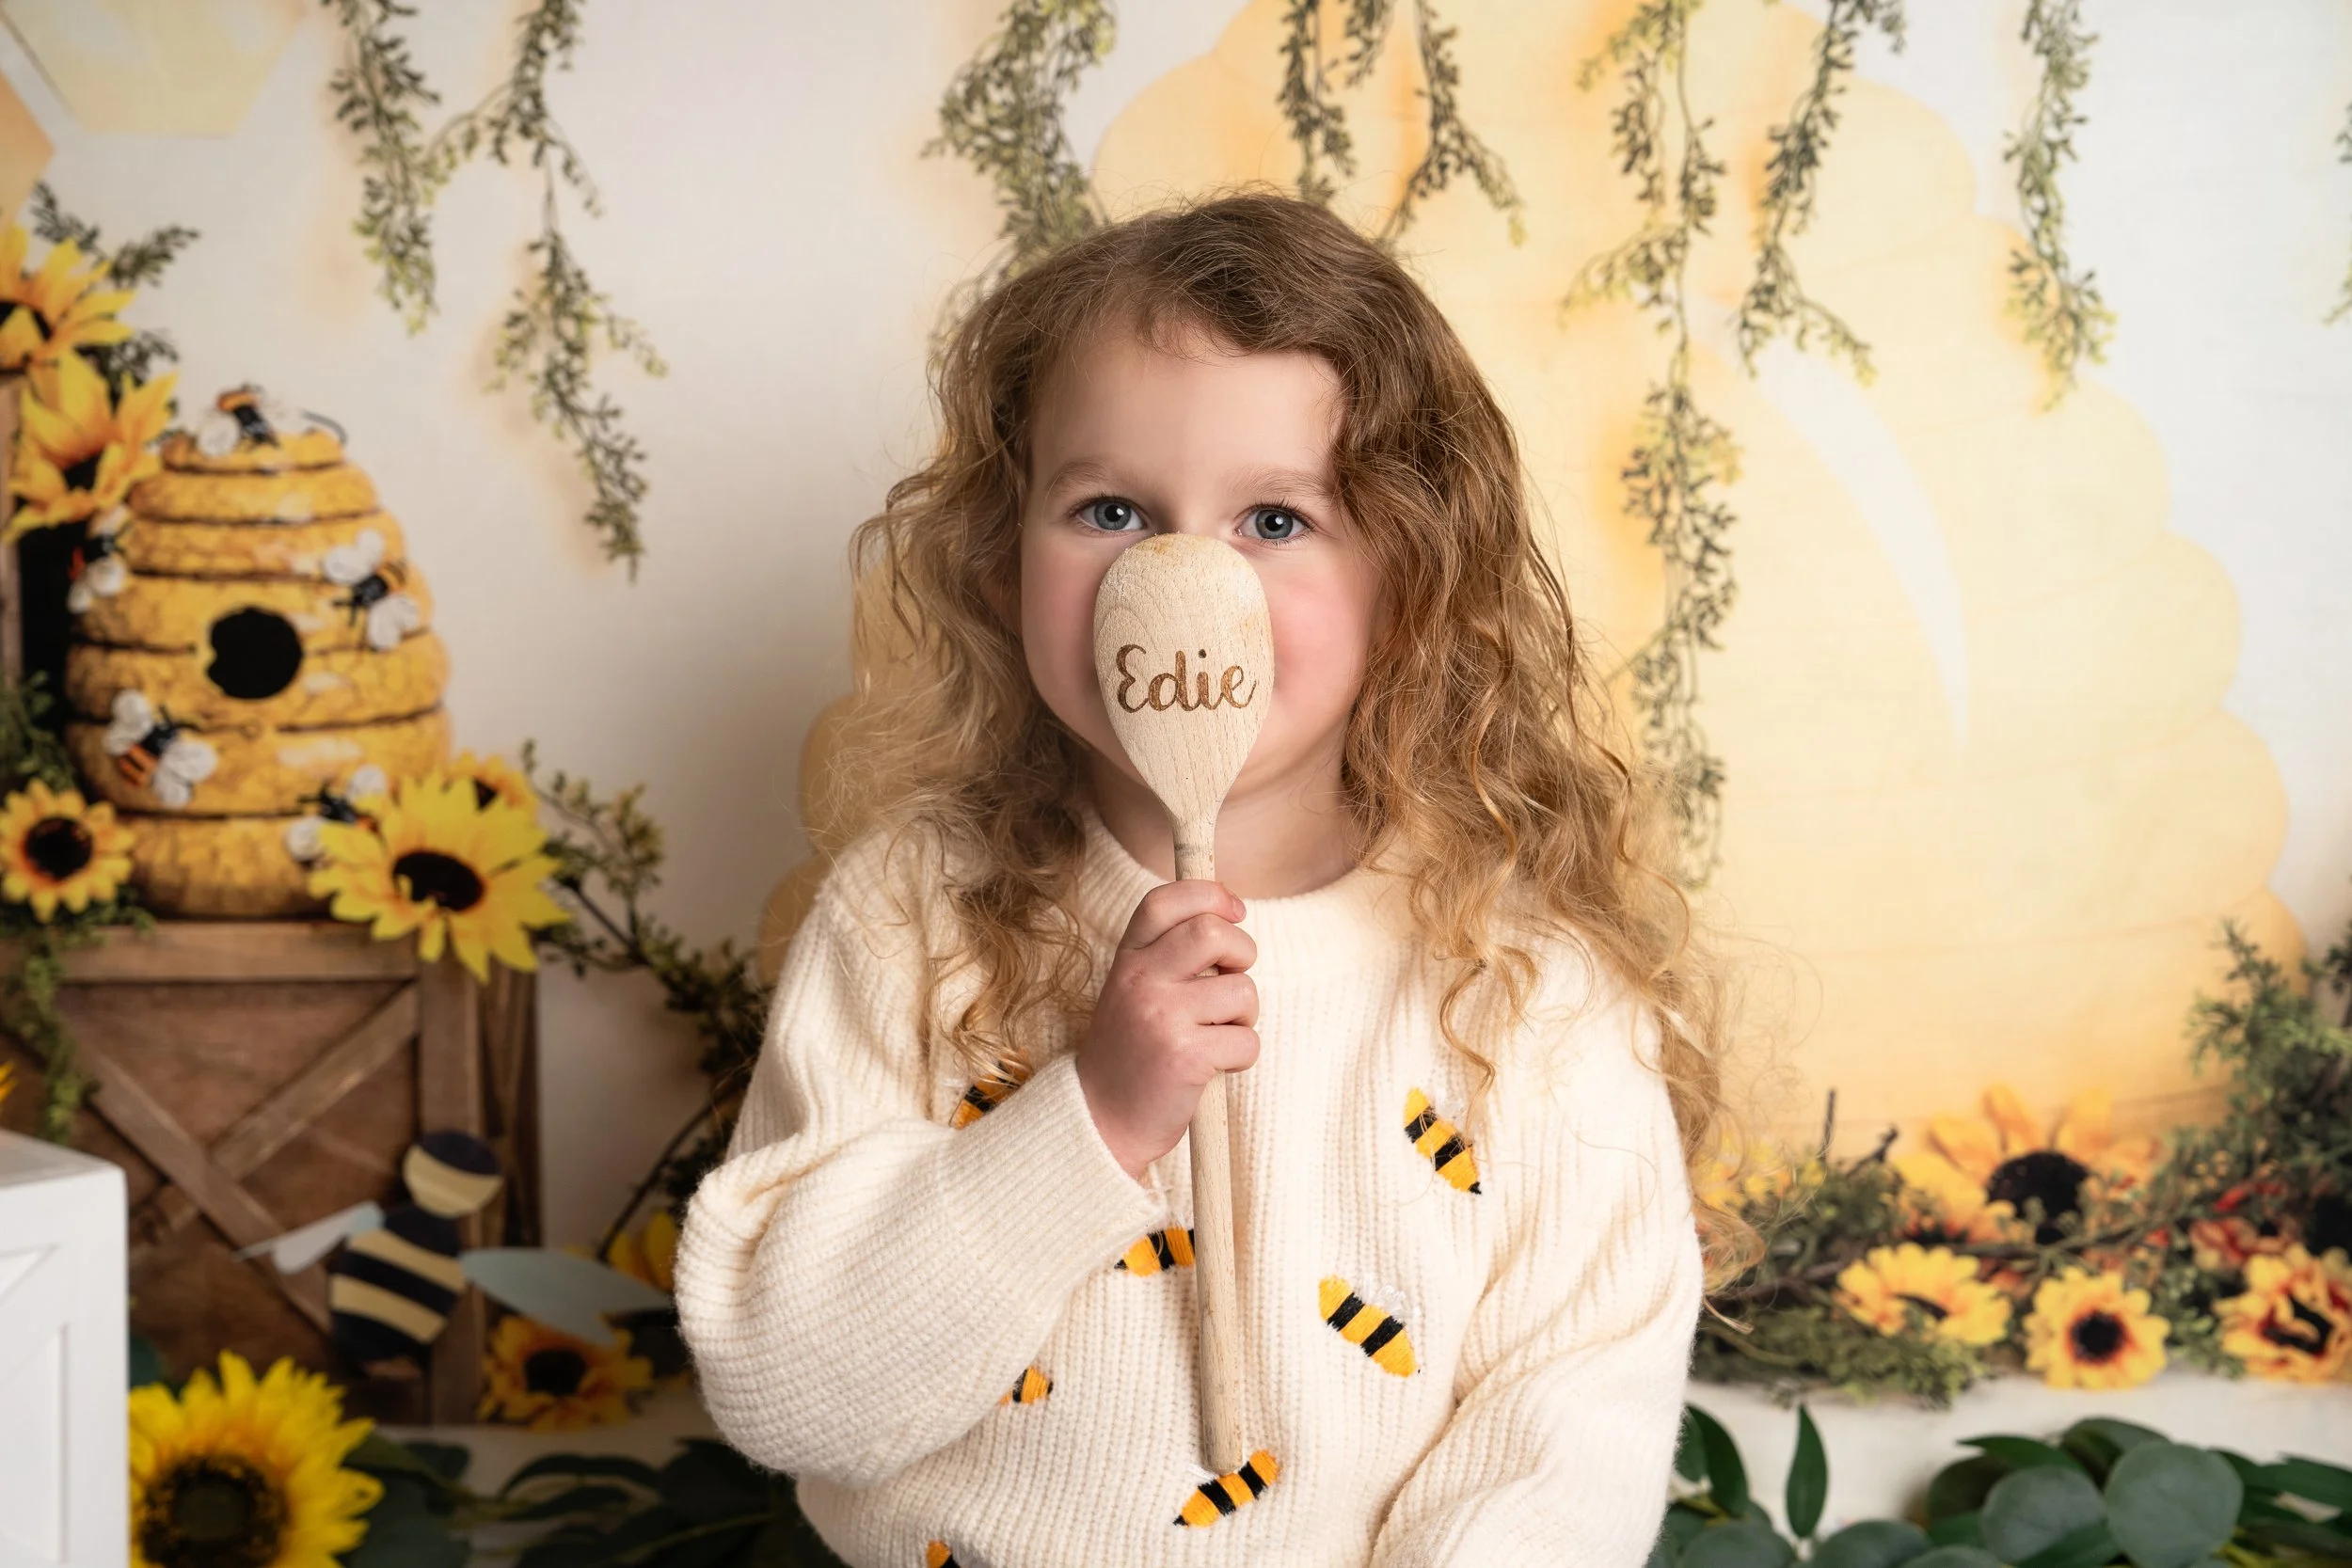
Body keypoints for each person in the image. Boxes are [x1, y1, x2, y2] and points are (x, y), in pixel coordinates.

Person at [673, 189, 1756, 1567]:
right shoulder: (913, 916)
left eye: (1275, 520)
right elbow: (788, 1390)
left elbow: (1564, 1439)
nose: (1182, 577)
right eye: (1111, 509)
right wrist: (1096, 1113)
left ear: (1411, 578)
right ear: (1002, 567)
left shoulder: (1533, 992)